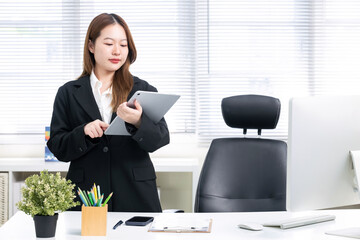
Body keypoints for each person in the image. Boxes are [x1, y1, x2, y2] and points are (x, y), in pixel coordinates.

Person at [47, 13, 169, 212]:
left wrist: (139, 122)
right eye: (109, 43)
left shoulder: (143, 90)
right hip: (86, 194)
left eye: (123, 45)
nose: (117, 51)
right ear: (91, 46)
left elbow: (160, 139)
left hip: (135, 194)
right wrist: (83, 132)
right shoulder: (68, 93)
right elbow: (57, 147)